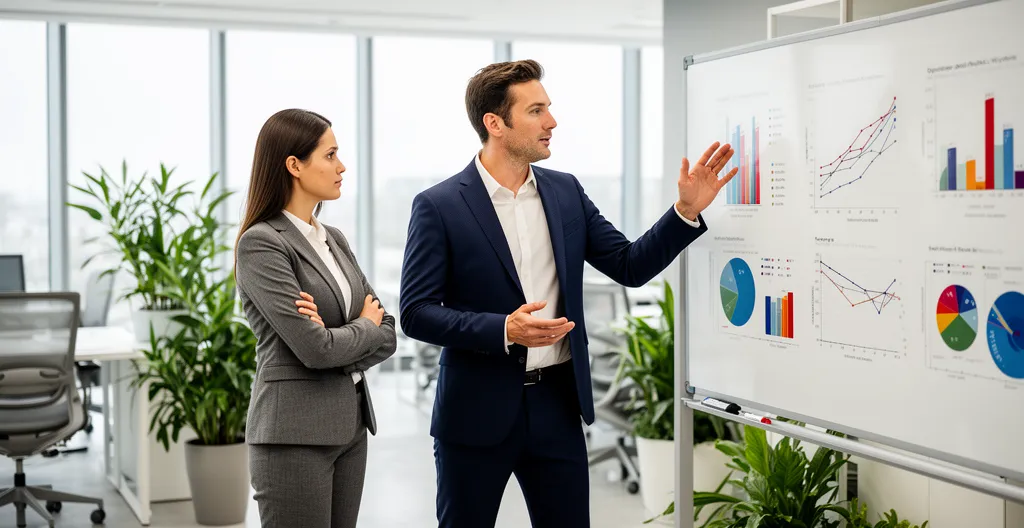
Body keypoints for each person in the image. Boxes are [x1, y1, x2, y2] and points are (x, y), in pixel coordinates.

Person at [398, 60, 737, 527]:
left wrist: (684, 211)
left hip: (556, 405)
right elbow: (415, 313)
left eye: (549, 109)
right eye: (536, 111)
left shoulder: (565, 192)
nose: (552, 122)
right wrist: (504, 329)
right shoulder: (439, 205)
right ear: (495, 124)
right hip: (475, 413)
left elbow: (629, 265)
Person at [234, 108, 397, 528]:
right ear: (294, 165)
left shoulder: (333, 239)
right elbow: (314, 349)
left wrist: (337, 334)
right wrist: (360, 326)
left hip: (350, 426)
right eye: (330, 155)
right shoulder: (262, 243)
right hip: (293, 436)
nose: (341, 167)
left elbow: (389, 331)